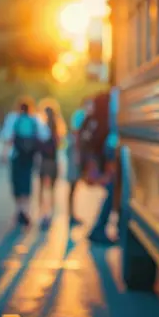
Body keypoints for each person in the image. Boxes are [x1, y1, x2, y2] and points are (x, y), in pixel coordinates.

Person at [81, 89, 120, 245]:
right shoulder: (105, 124)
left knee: (112, 193)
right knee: (112, 192)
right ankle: (98, 229)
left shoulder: (92, 121)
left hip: (99, 163)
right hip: (106, 162)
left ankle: (101, 228)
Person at [1, 97, 48, 226]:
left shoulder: (13, 118)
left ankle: (19, 209)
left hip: (16, 154)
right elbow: (44, 136)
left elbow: (7, 137)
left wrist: (4, 153)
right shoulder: (35, 119)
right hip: (30, 155)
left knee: (16, 181)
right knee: (27, 181)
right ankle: (25, 209)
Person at [36, 98, 67, 228]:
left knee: (42, 189)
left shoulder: (42, 127)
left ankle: (43, 214)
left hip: (44, 161)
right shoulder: (58, 128)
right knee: (52, 190)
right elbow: (60, 144)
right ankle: (50, 213)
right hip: (53, 161)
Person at [67, 97, 92, 226]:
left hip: (78, 152)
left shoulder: (84, 116)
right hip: (75, 152)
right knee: (73, 183)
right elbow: (76, 134)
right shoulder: (80, 115)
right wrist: (77, 154)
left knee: (75, 184)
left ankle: (72, 213)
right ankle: (70, 214)